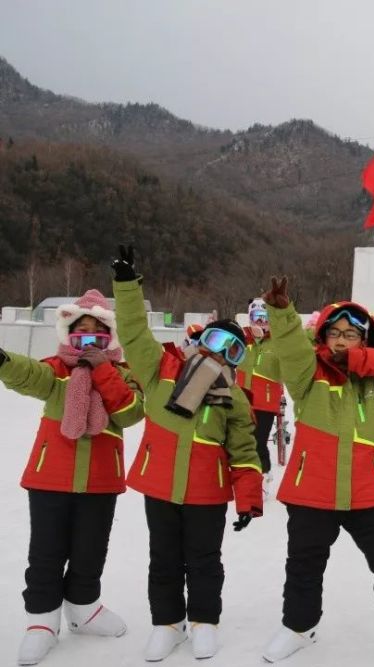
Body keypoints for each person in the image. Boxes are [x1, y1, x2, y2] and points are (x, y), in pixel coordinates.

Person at [258, 278, 374, 666]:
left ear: (364, 341)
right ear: (323, 336)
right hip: (312, 490)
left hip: (365, 491)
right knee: (304, 564)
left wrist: (360, 362)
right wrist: (282, 313)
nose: (341, 340)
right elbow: (290, 349)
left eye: (351, 335)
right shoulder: (308, 378)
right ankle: (298, 628)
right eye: (335, 333)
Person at [110, 246, 263, 662]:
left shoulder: (234, 399)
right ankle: (167, 624)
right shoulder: (161, 370)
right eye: (216, 340)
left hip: (206, 494)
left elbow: (245, 452)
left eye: (233, 350)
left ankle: (204, 622)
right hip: (159, 486)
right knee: (163, 559)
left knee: (204, 561)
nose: (219, 353)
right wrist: (126, 286)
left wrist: (249, 497)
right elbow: (135, 332)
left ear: (237, 362)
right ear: (199, 340)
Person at [1, 290, 144, 666]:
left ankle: (85, 608)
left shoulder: (123, 373)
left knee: (90, 550)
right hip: (51, 477)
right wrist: (3, 360)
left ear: (109, 338)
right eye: (81, 332)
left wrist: (102, 369)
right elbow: (28, 375)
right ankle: (42, 622)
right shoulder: (57, 369)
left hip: (99, 480)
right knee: (46, 553)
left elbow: (129, 412)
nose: (89, 339)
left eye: (98, 333)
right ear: (69, 335)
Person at [236, 298, 284, 491]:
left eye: (264, 317)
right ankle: (244, 474)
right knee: (240, 439)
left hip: (265, 402)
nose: (260, 321)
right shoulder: (242, 339)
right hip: (241, 398)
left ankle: (262, 474)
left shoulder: (277, 342)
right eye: (256, 317)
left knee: (258, 440)